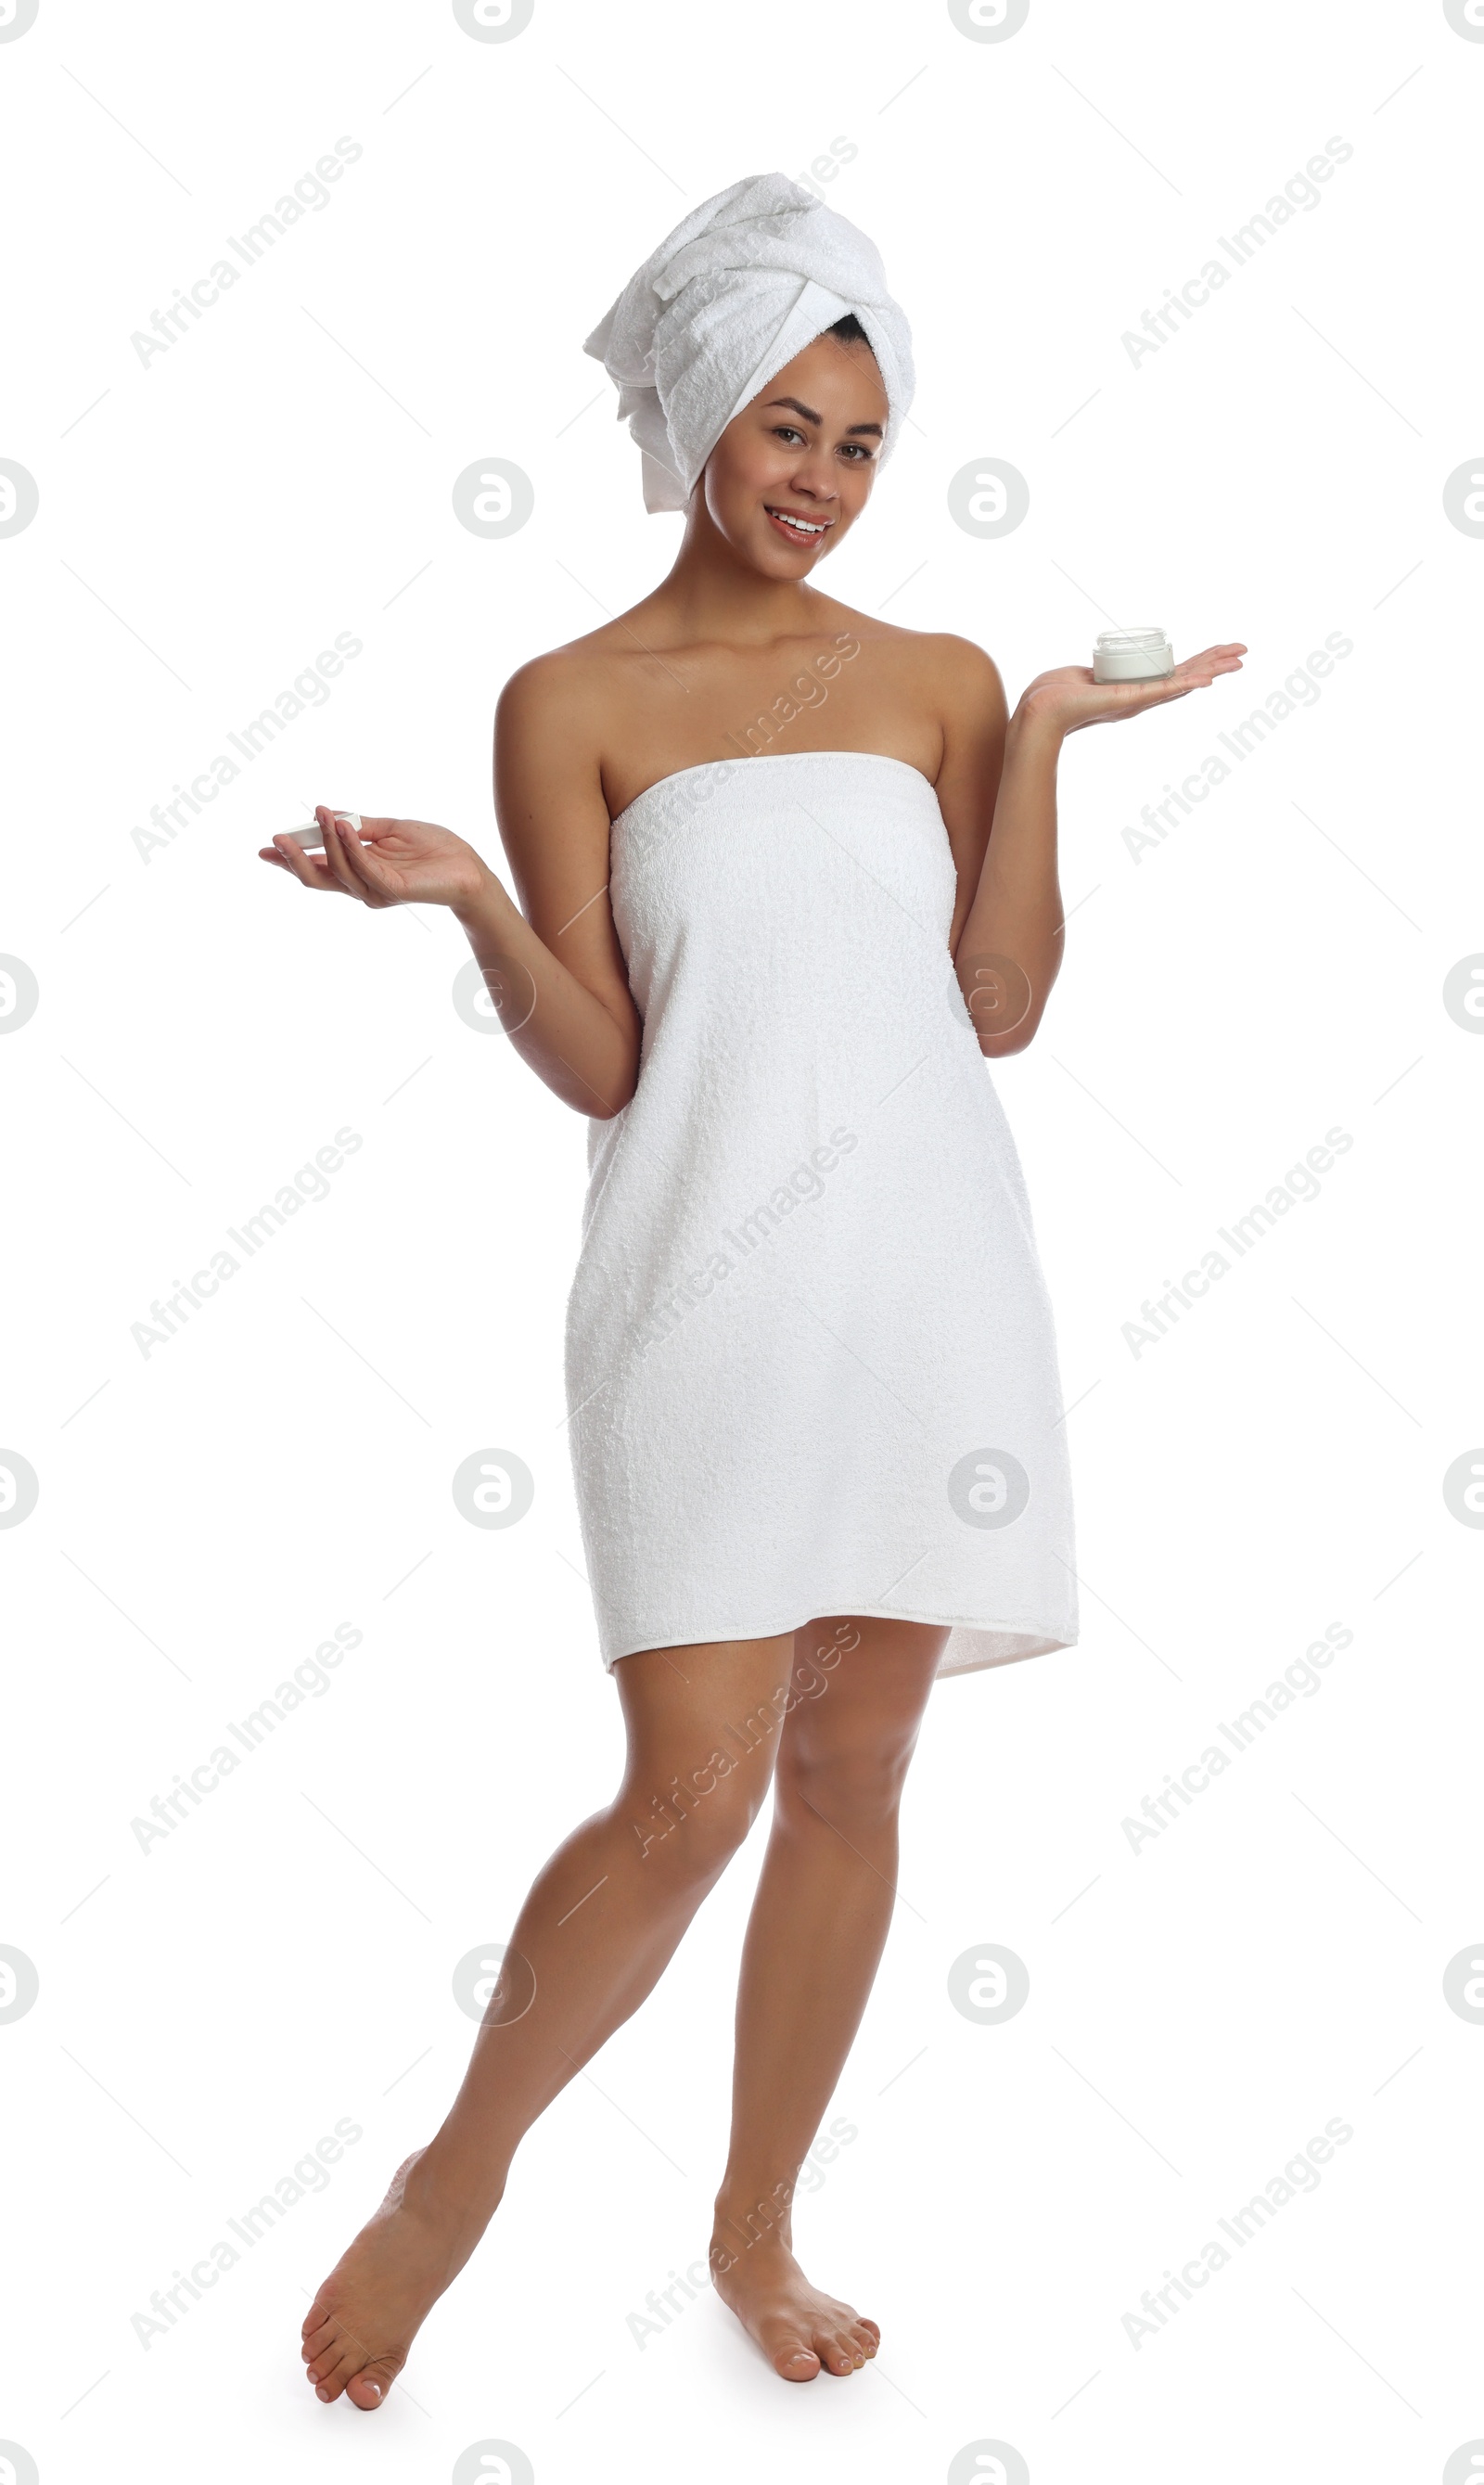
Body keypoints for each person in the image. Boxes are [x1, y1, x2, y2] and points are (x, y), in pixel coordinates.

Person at [260, 173, 1244, 2410]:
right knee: (687, 1788)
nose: (819, 477)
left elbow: (992, 1000)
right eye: (785, 425)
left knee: (855, 1753)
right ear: (701, 412)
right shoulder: (571, 697)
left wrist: (1054, 760)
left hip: (927, 1272)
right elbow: (606, 1058)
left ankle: (752, 2215)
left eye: (858, 442)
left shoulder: (937, 680)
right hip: (697, 1276)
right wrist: (467, 912)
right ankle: (453, 2179)